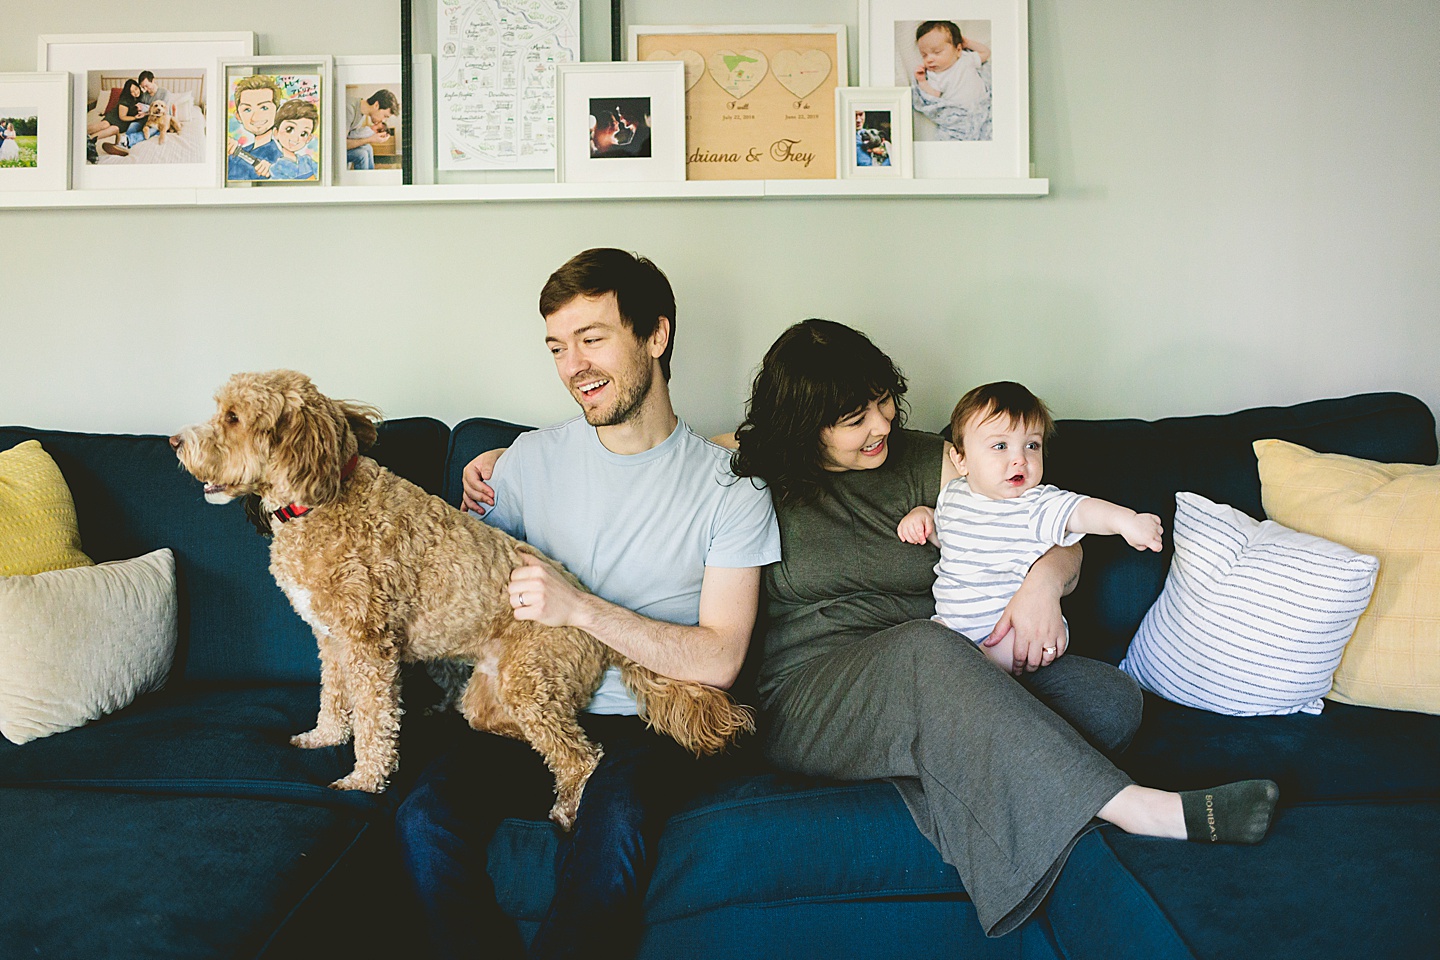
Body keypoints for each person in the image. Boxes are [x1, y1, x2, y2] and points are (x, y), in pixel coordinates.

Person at [728, 318, 1279, 938]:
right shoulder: (749, 476)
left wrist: (1044, 582)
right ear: (804, 428)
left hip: (952, 669)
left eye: (882, 401)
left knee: (1110, 699)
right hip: (816, 695)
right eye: (856, 419)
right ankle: (1141, 808)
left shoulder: (935, 460)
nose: (881, 425)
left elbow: (1048, 526)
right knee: (927, 650)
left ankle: (953, 755)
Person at [395, 248, 781, 960]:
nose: (574, 365)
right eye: (557, 347)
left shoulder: (730, 489)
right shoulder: (525, 463)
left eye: (593, 338)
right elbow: (470, 595)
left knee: (618, 815)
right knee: (425, 817)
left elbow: (722, 656)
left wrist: (581, 609)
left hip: (650, 721)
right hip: (526, 710)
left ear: (655, 336)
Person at [897, 381, 1163, 674]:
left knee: (993, 656)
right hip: (953, 630)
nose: (1019, 459)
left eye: (1032, 445)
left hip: (1013, 634)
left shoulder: (1034, 503)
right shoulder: (953, 495)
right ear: (961, 461)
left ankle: (982, 678)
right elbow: (947, 535)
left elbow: (1082, 511)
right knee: (928, 646)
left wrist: (1126, 521)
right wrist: (924, 518)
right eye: (1000, 446)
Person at [911, 20, 993, 141]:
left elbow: (986, 53)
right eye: (924, 55)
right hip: (959, 117)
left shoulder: (966, 59)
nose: (929, 59)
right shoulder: (935, 74)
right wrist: (922, 81)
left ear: (958, 50)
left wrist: (968, 43)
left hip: (983, 109)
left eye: (936, 52)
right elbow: (934, 95)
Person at [227, 75, 285, 180]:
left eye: (264, 108)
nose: (255, 117)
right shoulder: (240, 151)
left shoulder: (277, 160)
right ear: (238, 116)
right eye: (247, 110)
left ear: (278, 112)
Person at [345, 88, 398, 170]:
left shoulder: (362, 113)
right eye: (385, 116)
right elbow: (340, 145)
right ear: (376, 105)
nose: (383, 120)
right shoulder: (349, 109)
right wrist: (370, 139)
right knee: (362, 154)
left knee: (368, 148)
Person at [268, 99, 319, 180]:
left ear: (309, 138)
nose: (296, 138)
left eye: (303, 134)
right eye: (289, 129)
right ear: (276, 132)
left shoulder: (307, 161)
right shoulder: (277, 168)